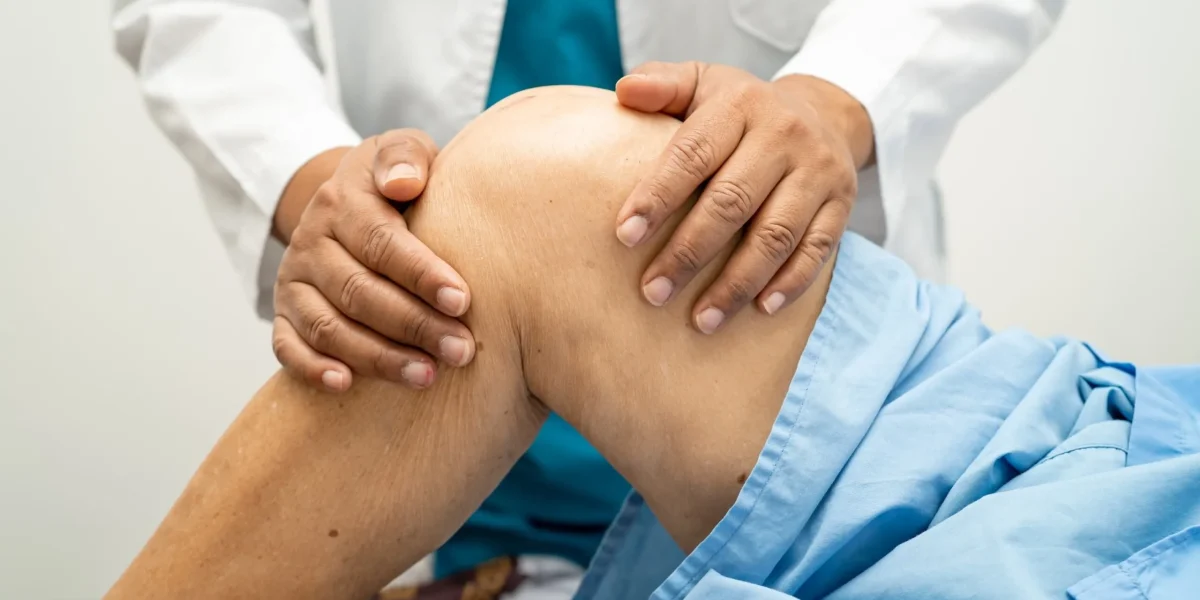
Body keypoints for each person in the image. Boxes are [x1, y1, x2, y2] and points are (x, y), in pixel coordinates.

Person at [112, 0, 1067, 591]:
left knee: (537, 192)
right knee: (516, 203)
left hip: (784, 412)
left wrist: (842, 97)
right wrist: (312, 179)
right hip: (448, 434)